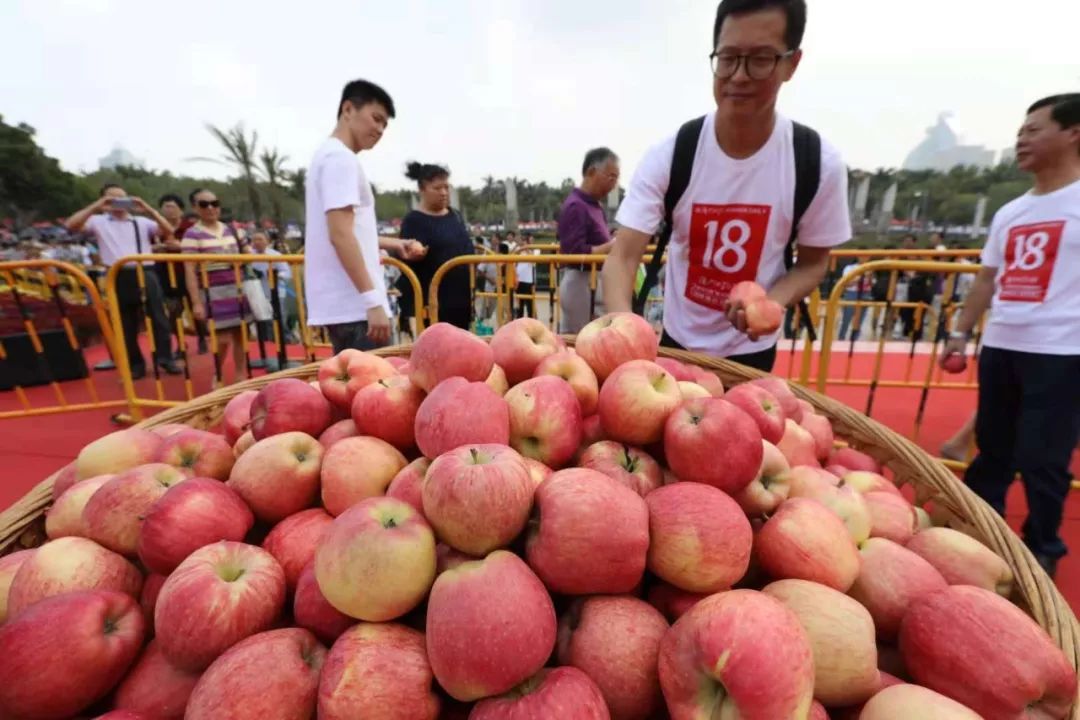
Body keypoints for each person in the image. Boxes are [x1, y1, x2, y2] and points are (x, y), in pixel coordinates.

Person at [602, 0, 851, 371]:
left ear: (791, 64)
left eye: (761, 59)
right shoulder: (673, 154)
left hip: (752, 354)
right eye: (729, 57)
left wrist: (772, 301)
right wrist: (625, 341)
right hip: (678, 345)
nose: (739, 75)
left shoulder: (816, 163)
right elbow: (621, 258)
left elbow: (814, 263)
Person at [942, 94, 1080, 579]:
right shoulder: (1010, 212)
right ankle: (982, 533)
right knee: (993, 449)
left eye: (1034, 130)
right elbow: (986, 279)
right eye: (1020, 131)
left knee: (1044, 459)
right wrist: (960, 333)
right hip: (1002, 346)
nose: (1022, 140)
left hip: (1062, 353)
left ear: (1073, 133)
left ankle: (1043, 546)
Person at [303, 79, 423, 353]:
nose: (379, 129)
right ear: (348, 109)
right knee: (378, 388)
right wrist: (372, 301)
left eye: (384, 125)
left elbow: (345, 229)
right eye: (376, 118)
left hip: (347, 306)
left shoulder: (327, 156)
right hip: (356, 307)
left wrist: (393, 244)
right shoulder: (340, 160)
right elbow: (340, 234)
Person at [65, 184, 182, 379]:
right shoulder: (98, 221)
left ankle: (166, 358)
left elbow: (167, 230)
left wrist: (147, 207)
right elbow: (71, 225)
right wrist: (98, 206)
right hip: (117, 274)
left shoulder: (141, 221)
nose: (118, 203)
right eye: (112, 199)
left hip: (145, 270)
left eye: (121, 198)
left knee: (158, 317)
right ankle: (135, 364)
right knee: (125, 322)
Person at [180, 189, 252, 384]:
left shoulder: (233, 230)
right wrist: (196, 302)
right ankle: (218, 374)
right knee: (222, 338)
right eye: (204, 204)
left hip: (237, 287)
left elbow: (249, 253)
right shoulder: (192, 234)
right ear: (195, 207)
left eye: (214, 203)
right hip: (212, 291)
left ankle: (240, 375)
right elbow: (189, 270)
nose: (210, 208)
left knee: (240, 335)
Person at [396, 162, 475, 333]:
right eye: (437, 188)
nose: (444, 193)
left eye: (446, 187)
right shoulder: (414, 221)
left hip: (461, 298)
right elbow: (405, 259)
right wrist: (415, 254)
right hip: (431, 302)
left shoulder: (455, 215)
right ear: (422, 189)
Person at [557, 148, 620, 332]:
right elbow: (573, 252)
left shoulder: (594, 206)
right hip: (580, 281)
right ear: (592, 172)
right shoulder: (576, 206)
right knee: (578, 340)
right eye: (611, 177)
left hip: (594, 279)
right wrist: (610, 246)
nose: (614, 184)